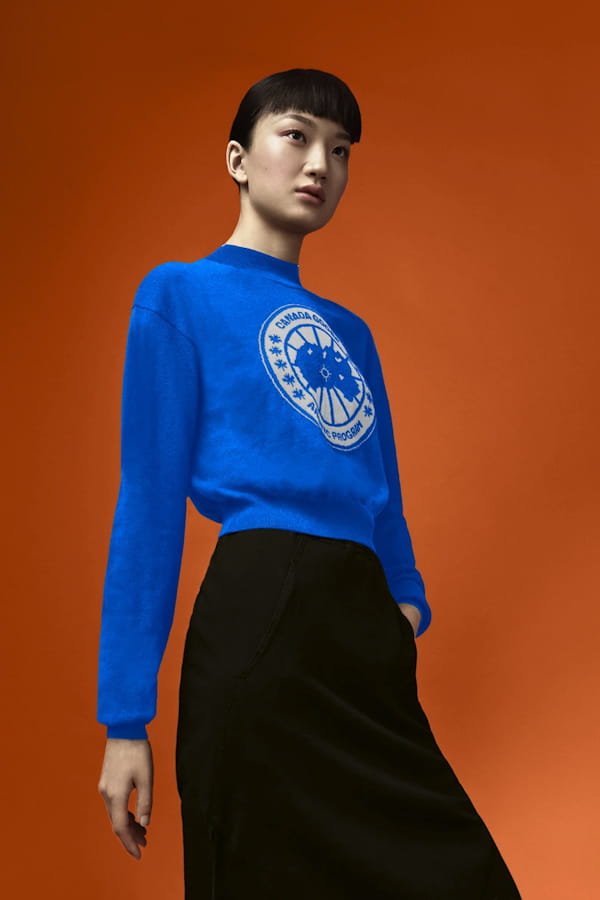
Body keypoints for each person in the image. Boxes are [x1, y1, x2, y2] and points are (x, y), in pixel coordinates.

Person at [97, 68, 521, 899]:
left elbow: (381, 494)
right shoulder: (178, 295)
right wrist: (125, 719)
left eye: (341, 149)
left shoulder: (351, 335)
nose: (320, 163)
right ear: (237, 158)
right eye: (296, 136)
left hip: (362, 635)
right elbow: (148, 506)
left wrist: (403, 609)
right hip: (262, 612)